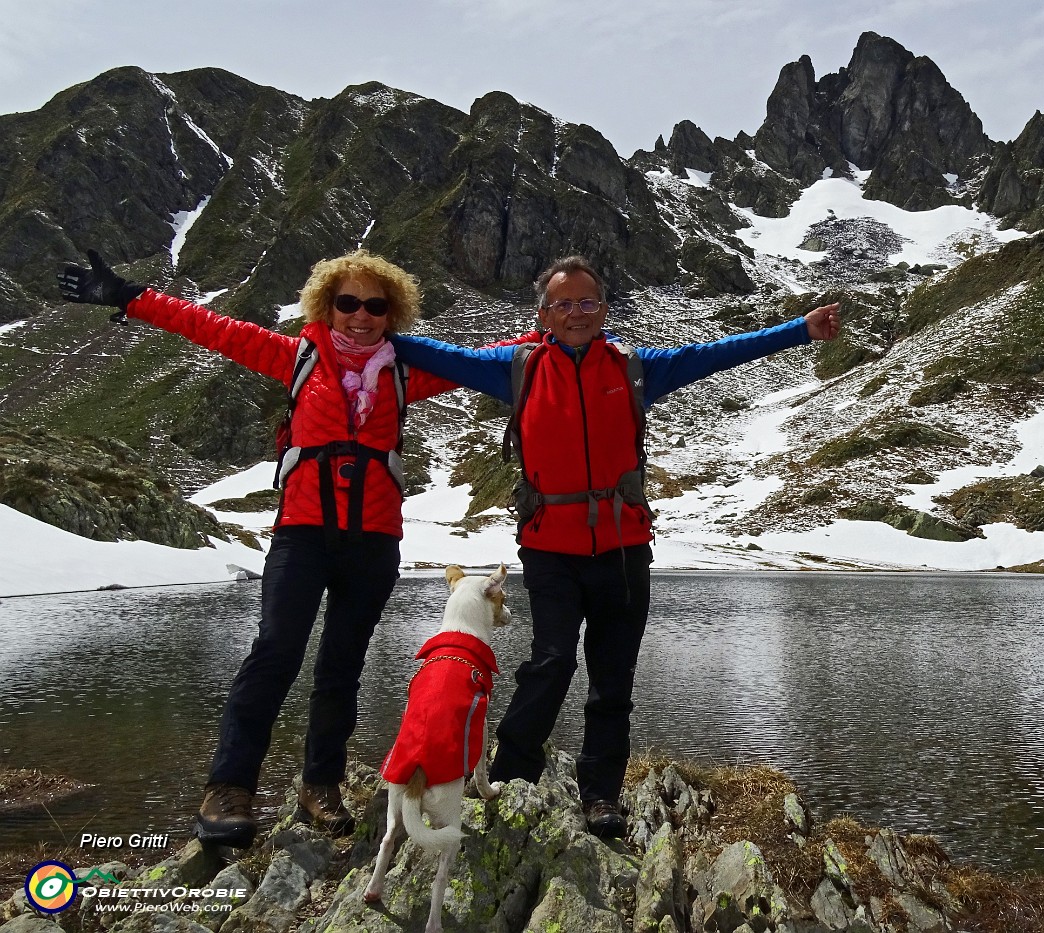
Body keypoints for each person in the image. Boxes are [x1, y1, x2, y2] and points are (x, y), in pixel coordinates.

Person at [387, 255, 840, 837]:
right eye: (563, 303)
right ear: (543, 314)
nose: (576, 312)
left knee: (613, 679)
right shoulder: (517, 368)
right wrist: (373, 331)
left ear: (604, 309)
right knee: (550, 662)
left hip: (624, 551)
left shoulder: (632, 368)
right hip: (550, 549)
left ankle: (600, 793)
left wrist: (799, 330)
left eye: (587, 301)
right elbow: (437, 355)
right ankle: (512, 772)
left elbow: (715, 354)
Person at [56, 248, 470, 848]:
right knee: (275, 652)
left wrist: (555, 326)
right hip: (302, 533)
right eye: (346, 303)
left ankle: (320, 787)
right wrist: (127, 296)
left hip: (374, 541)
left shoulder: (409, 372)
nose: (360, 316)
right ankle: (229, 790)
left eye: (374, 305)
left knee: (342, 667)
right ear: (326, 306)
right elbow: (211, 328)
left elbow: (491, 364)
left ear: (391, 312)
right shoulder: (298, 358)